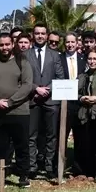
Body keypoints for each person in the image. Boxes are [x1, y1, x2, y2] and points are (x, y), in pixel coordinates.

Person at [0, 32, 34, 188]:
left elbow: (27, 85)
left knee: (22, 146)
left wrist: (11, 102)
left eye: (7, 44)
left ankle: (23, 176)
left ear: (13, 44)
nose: (4, 47)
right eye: (1, 44)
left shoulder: (22, 61)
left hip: (19, 112)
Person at [27, 23, 65, 179]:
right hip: (33, 99)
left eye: (43, 33)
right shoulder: (26, 54)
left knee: (51, 135)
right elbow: (23, 78)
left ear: (47, 35)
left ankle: (49, 166)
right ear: (33, 35)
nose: (40, 36)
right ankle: (32, 166)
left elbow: (60, 77)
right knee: (31, 136)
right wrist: (36, 89)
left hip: (50, 100)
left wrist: (46, 90)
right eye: (37, 33)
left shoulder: (55, 55)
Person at [76, 48, 96, 181]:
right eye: (90, 59)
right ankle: (85, 171)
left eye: (95, 59)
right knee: (85, 143)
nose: (92, 61)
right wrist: (81, 98)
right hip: (84, 113)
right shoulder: (82, 76)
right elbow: (75, 93)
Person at [61, 32, 86, 175]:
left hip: (79, 103)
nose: (70, 45)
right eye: (67, 42)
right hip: (64, 103)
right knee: (62, 136)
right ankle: (60, 165)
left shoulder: (83, 60)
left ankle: (78, 167)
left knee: (80, 137)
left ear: (77, 43)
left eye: (72, 42)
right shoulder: (59, 59)